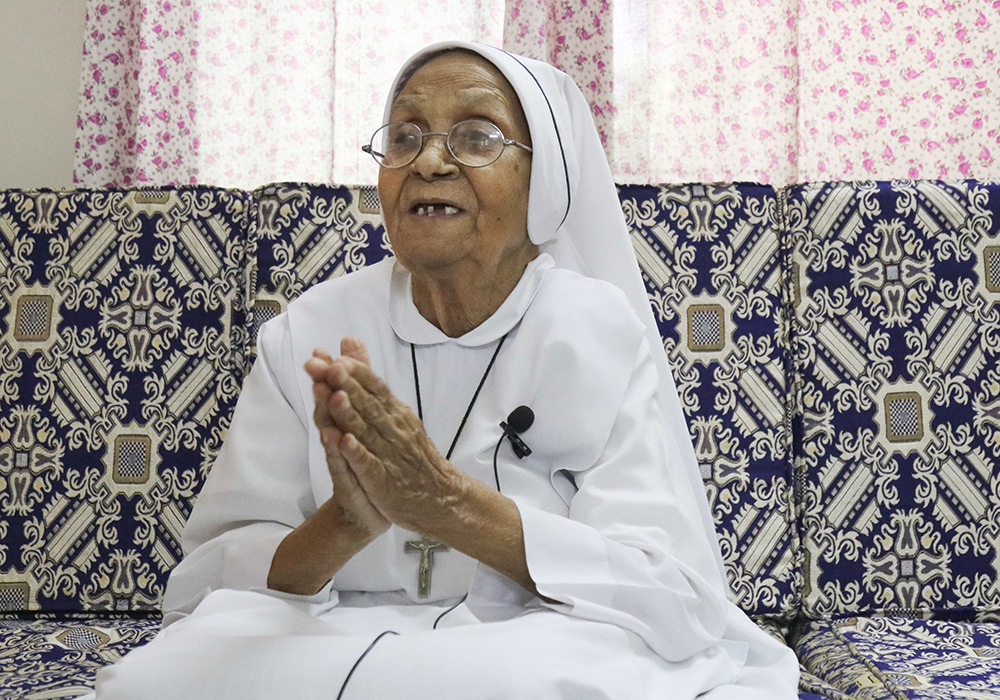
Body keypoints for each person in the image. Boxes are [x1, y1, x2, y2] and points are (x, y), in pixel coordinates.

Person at [87, 42, 798, 699]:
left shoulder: (596, 332)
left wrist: (451, 507)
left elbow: (667, 594)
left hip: (533, 636)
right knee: (154, 682)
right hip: (326, 636)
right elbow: (211, 581)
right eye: (404, 135)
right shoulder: (309, 330)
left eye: (476, 135)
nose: (429, 161)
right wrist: (347, 521)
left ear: (541, 177)